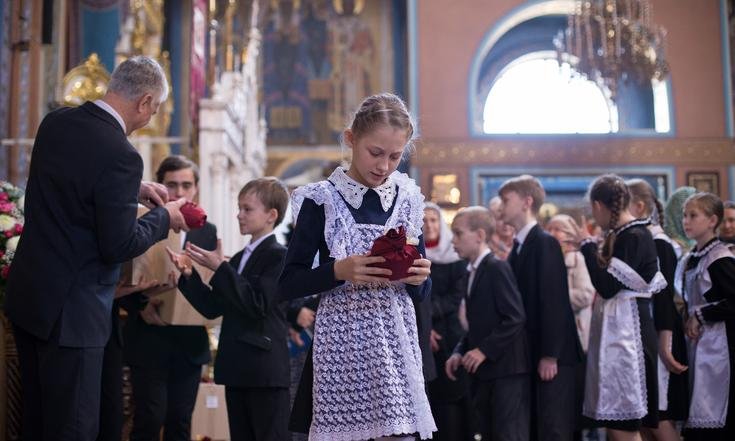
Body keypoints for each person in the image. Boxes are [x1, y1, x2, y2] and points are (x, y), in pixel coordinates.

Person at [4, 55, 188, 441]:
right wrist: (164, 217)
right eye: (155, 109)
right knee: (71, 428)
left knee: (35, 423)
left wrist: (133, 189)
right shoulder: (122, 155)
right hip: (73, 315)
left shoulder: (56, 123)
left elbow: (73, 183)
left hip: (30, 299)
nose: (151, 118)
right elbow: (119, 244)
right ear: (144, 102)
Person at [278, 93, 436, 441]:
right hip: (342, 350)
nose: (384, 166)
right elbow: (287, 284)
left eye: (395, 156)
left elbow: (422, 292)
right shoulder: (321, 200)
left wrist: (419, 278)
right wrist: (337, 271)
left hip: (395, 352)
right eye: (375, 152)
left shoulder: (408, 199)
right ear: (351, 139)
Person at [167, 177, 292, 441]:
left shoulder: (279, 256)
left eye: (247, 209)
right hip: (238, 367)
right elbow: (213, 307)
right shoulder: (238, 259)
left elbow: (258, 304)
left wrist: (220, 268)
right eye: (239, 208)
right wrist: (189, 276)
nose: (239, 215)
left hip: (264, 370)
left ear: (271, 215)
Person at [123, 155, 218, 441]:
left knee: (180, 421)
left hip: (189, 343)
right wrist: (141, 306)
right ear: (159, 186)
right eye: (172, 185)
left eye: (186, 185)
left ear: (196, 189)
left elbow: (209, 284)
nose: (179, 192)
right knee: (149, 419)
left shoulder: (207, 231)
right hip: (148, 338)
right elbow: (119, 276)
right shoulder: (140, 223)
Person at [572, 174, 664, 441]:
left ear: (598, 206)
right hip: (622, 333)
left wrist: (587, 246)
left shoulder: (633, 236)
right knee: (617, 422)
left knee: (622, 424)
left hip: (628, 338)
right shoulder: (627, 234)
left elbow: (608, 286)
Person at [499, 175, 582, 441]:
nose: (501, 206)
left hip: (553, 356)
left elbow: (554, 300)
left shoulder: (544, 242)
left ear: (527, 202)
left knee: (553, 428)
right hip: (532, 351)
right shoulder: (519, 246)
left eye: (506, 200)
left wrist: (550, 354)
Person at [445, 206, 530, 441]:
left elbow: (515, 317)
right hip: (487, 371)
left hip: (506, 371)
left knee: (508, 435)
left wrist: (483, 350)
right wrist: (459, 351)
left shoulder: (496, 267)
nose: (453, 240)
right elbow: (479, 324)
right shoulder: (471, 271)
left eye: (458, 233)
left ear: (480, 235)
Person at [626, 178, 689, 441]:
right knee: (644, 416)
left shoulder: (659, 242)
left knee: (659, 416)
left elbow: (663, 300)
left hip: (661, 335)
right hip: (646, 336)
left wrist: (664, 346)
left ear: (640, 207)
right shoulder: (642, 239)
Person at [677, 192, 735, 441]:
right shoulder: (693, 257)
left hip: (719, 345)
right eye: (684, 215)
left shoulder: (719, 258)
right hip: (698, 343)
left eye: (693, 215)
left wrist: (701, 314)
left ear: (712, 221)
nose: (686, 221)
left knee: (713, 409)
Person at [423, 202, 472, 440]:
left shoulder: (455, 256)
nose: (429, 225)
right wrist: (424, 327)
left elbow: (456, 296)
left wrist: (429, 317)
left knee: (451, 400)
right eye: (423, 220)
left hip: (449, 334)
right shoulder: (411, 255)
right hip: (421, 334)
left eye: (433, 220)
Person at [546, 214, 595, 352]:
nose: (551, 233)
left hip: (575, 331)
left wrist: (554, 296)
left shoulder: (578, 260)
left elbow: (586, 295)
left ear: (569, 234)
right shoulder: (548, 260)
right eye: (549, 229)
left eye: (557, 229)